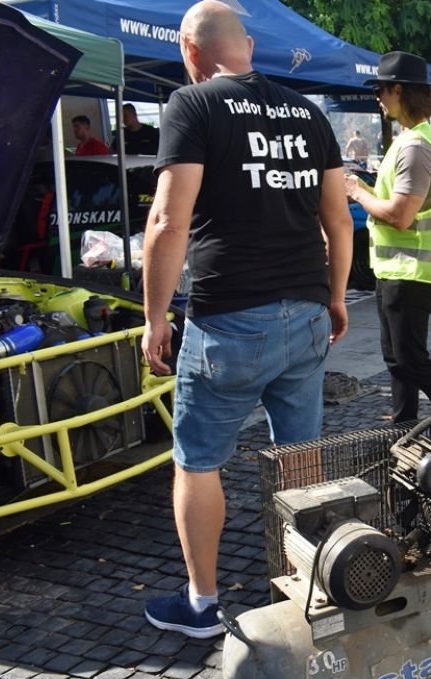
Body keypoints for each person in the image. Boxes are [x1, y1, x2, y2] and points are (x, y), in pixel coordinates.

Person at [139, 0, 353, 638]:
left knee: (198, 461)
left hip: (230, 315)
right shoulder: (306, 112)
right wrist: (336, 297)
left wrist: (155, 318)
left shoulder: (192, 104)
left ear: (190, 50)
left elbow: (168, 221)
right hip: (307, 309)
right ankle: (312, 585)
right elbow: (339, 220)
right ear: (250, 48)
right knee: (300, 455)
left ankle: (202, 604)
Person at [344, 51, 431, 423]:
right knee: (397, 360)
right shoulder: (411, 140)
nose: (377, 98)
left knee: (411, 359)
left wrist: (357, 192)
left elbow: (400, 216)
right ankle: (403, 429)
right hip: (396, 270)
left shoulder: (414, 147)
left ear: (398, 90)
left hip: (410, 272)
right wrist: (368, 189)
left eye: (380, 90)